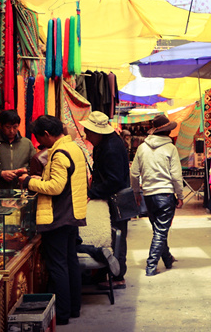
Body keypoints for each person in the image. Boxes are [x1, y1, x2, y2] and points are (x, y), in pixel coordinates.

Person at [18, 115, 87, 325]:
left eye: (40, 138)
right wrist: (42, 179)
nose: (40, 143)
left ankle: (63, 315)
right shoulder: (74, 147)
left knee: (58, 266)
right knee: (70, 262)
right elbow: (64, 182)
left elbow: (56, 187)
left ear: (47, 134)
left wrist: (29, 181)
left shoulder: (59, 152)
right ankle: (74, 309)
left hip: (58, 216)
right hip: (72, 214)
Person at [81, 111, 131, 288]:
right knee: (111, 236)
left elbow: (114, 180)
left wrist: (93, 193)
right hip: (113, 199)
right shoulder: (107, 143)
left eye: (88, 132)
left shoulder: (110, 147)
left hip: (117, 200)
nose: (86, 135)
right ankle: (106, 273)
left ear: (97, 132)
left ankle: (118, 277)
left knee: (116, 237)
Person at [130, 115, 184, 276]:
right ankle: (151, 265)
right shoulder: (170, 149)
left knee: (159, 229)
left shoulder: (142, 147)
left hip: (148, 195)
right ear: (167, 131)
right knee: (160, 231)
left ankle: (167, 258)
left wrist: (136, 193)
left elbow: (134, 174)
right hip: (165, 195)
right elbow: (176, 175)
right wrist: (180, 195)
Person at [0, 109, 36, 190]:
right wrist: (1, 173)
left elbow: (35, 167)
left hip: (22, 190)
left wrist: (25, 171)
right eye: (8, 127)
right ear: (0, 126)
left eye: (15, 127)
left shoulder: (27, 143)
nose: (11, 131)